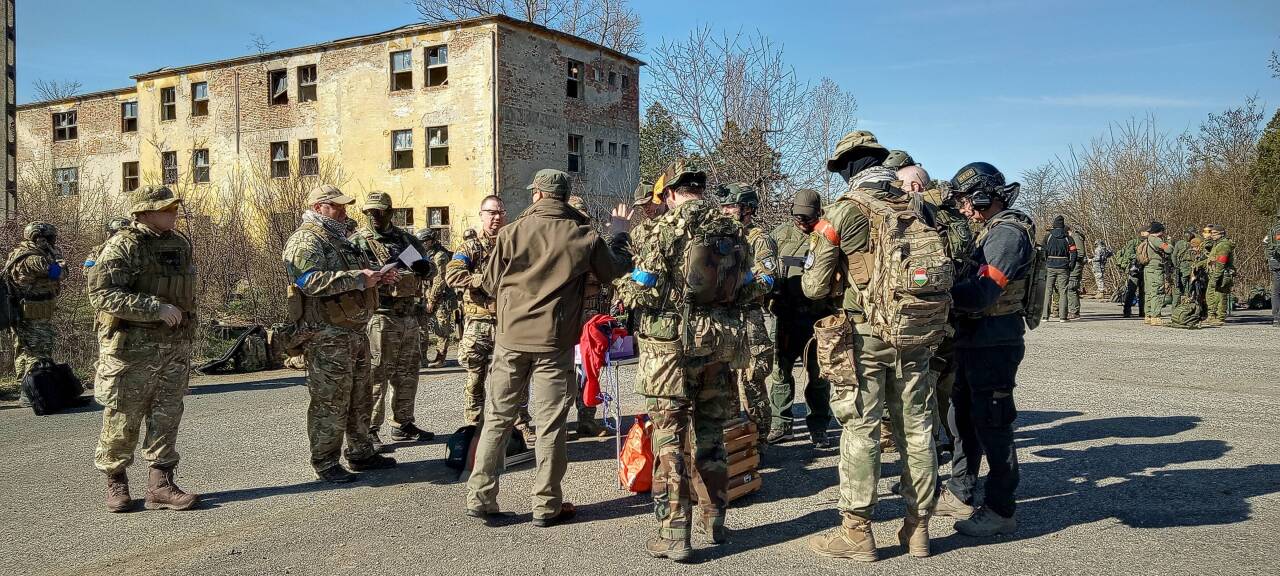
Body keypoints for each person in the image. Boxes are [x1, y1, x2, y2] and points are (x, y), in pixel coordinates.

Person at [619, 160, 769, 561]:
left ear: (670, 194)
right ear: (701, 190)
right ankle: (715, 520)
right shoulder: (733, 230)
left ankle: (674, 534)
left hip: (669, 350)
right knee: (711, 433)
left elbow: (643, 292)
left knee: (669, 436)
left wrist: (623, 282)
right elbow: (749, 290)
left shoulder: (662, 229)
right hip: (719, 346)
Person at [465, 169, 632, 528]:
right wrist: (620, 234)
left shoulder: (510, 233)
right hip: (553, 342)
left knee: (497, 417)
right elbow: (615, 271)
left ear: (538, 195)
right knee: (550, 424)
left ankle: (480, 496)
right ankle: (546, 504)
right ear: (564, 197)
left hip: (510, 339)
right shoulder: (583, 235)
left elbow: (489, 284)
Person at [803, 131, 940, 561]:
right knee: (916, 428)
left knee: (860, 428)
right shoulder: (919, 206)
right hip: (916, 332)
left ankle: (857, 532)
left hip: (865, 334)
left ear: (846, 169)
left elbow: (813, 286)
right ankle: (919, 529)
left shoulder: (844, 210)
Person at [933, 162, 1035, 538]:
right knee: (962, 416)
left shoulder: (1007, 234)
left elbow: (982, 294)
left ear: (983, 196)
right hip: (975, 338)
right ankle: (960, 491)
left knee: (993, 423)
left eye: (966, 201)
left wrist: (937, 293)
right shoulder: (992, 230)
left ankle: (1000, 509)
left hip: (994, 340)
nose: (964, 209)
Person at [87, 185, 199, 512]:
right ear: (145, 213)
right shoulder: (122, 245)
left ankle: (160, 485)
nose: (174, 213)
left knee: (167, 415)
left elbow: (185, 295)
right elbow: (103, 294)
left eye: (174, 207)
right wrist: (154, 308)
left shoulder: (179, 244)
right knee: (122, 417)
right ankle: (116, 481)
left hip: (173, 347)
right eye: (166, 209)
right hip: (131, 349)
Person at [283, 184, 398, 483]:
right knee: (331, 401)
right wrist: (358, 279)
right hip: (326, 335)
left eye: (344, 205)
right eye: (337, 206)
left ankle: (361, 452)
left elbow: (357, 277)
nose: (344, 210)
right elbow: (309, 281)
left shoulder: (341, 240)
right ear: (319, 207)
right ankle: (325, 462)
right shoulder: (306, 240)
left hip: (354, 331)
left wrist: (377, 277)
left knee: (360, 396)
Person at [446, 195, 535, 446]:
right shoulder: (470, 248)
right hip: (479, 323)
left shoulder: (514, 245)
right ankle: (474, 427)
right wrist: (483, 281)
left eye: (500, 212)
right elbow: (453, 275)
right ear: (482, 215)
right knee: (475, 378)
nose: (496, 217)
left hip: (510, 322)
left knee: (516, 377)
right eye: (491, 213)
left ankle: (520, 424)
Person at [350, 192, 437, 448]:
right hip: (380, 316)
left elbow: (430, 267)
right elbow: (350, 277)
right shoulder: (358, 242)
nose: (375, 217)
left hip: (408, 315)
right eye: (370, 212)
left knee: (408, 372)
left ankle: (403, 423)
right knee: (376, 375)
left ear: (390, 212)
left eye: (380, 211)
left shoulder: (405, 240)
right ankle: (370, 429)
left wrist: (424, 268)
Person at [766, 189, 833, 448]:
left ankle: (819, 427)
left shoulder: (827, 234)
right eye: (798, 217)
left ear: (819, 213)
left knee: (818, 377)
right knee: (780, 374)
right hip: (785, 317)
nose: (802, 222)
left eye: (808, 217)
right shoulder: (779, 235)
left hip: (818, 318)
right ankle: (781, 425)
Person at [917, 169, 975, 456]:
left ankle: (930, 443)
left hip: (932, 307)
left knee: (926, 378)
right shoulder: (955, 213)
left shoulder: (920, 211)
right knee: (948, 377)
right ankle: (954, 439)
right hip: (955, 304)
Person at [717, 183, 775, 447]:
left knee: (752, 381)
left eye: (731, 206)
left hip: (749, 318)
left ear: (747, 209)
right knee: (725, 382)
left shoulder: (759, 239)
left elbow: (768, 279)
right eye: (724, 206)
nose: (725, 211)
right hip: (725, 319)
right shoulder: (721, 238)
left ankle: (759, 440)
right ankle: (735, 445)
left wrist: (739, 286)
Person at [4, 221, 67, 405]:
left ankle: (28, 390)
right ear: (40, 238)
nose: (52, 241)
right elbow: (59, 273)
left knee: (26, 351)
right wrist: (59, 261)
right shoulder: (33, 258)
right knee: (37, 352)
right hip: (32, 313)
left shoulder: (23, 253)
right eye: (50, 238)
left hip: (27, 311)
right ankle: (33, 392)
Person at [566, 194, 610, 438]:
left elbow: (608, 275)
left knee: (590, 369)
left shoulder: (595, 243)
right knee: (562, 373)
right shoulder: (558, 243)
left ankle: (587, 419)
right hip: (565, 317)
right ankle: (557, 425)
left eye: (583, 217)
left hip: (590, 318)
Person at [416, 227, 457, 367]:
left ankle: (440, 358)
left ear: (432, 241)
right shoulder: (423, 255)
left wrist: (432, 300)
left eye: (424, 241)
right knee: (421, 327)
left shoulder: (440, 256)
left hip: (441, 296)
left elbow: (440, 281)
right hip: (425, 295)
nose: (422, 244)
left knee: (441, 328)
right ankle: (422, 358)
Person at [1042, 215, 1075, 323]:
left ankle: (1045, 316)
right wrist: (1071, 265)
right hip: (1064, 266)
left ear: (1054, 225)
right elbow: (1074, 253)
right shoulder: (1068, 238)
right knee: (1063, 291)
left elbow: (1043, 251)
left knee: (1048, 290)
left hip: (1050, 265)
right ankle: (1063, 317)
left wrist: (1046, 262)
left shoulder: (1048, 237)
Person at [1201, 224, 1235, 327]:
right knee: (1211, 296)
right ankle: (1212, 316)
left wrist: (1216, 277)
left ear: (1221, 234)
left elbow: (1221, 263)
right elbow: (1211, 259)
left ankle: (1220, 317)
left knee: (1220, 296)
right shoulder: (1217, 244)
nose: (1212, 235)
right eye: (1211, 233)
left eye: (1215, 233)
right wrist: (1199, 265)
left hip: (1222, 275)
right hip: (1215, 273)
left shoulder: (1224, 246)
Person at [1141, 222, 1173, 326]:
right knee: (1158, 292)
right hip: (1156, 269)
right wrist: (1169, 242)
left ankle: (1148, 316)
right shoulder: (1156, 240)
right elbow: (1168, 249)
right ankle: (1156, 317)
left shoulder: (1148, 239)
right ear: (1160, 231)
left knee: (1149, 292)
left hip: (1148, 269)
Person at [1117, 230, 1147, 318]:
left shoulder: (1149, 242)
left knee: (1143, 292)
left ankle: (1142, 311)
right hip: (1135, 269)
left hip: (1145, 269)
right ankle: (1127, 311)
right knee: (1131, 290)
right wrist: (1140, 257)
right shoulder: (1133, 242)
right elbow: (1128, 255)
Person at [1171, 229, 1194, 306]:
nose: (1188, 236)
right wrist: (1176, 265)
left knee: (1191, 287)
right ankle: (1175, 306)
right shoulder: (1179, 243)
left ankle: (1187, 306)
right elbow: (1174, 255)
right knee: (1179, 287)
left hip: (1192, 266)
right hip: (1182, 266)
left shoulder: (1195, 242)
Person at [1066, 224, 1085, 319]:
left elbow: (1081, 253)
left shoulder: (1076, 238)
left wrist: (1071, 258)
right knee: (1071, 288)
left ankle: (1074, 311)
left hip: (1076, 266)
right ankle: (1073, 310)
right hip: (1073, 265)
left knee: (1071, 287)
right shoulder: (1072, 238)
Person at [1268, 217, 1280, 327]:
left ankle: (1276, 318)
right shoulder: (1278, 229)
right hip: (1278, 262)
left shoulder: (1272, 229)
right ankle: (1277, 318)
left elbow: (1265, 243)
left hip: (1275, 263)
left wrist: (1269, 258)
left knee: (1276, 291)